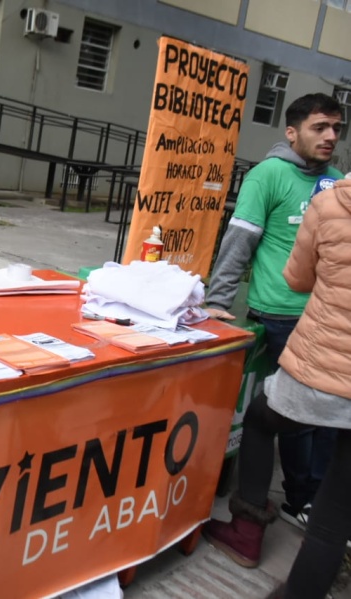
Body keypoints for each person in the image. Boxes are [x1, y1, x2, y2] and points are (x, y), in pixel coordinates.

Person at [203, 173, 351, 599]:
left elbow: (298, 279)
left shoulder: (328, 203)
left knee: (260, 420)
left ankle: (247, 531)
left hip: (320, 366)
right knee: (334, 517)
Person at [205, 93, 344, 529]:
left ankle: (312, 498)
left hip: (330, 321)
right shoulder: (268, 175)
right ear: (291, 131)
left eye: (337, 128)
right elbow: (239, 242)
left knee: (329, 423)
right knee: (298, 420)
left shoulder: (338, 183)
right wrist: (216, 302)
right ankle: (303, 498)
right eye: (319, 127)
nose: (331, 136)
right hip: (281, 313)